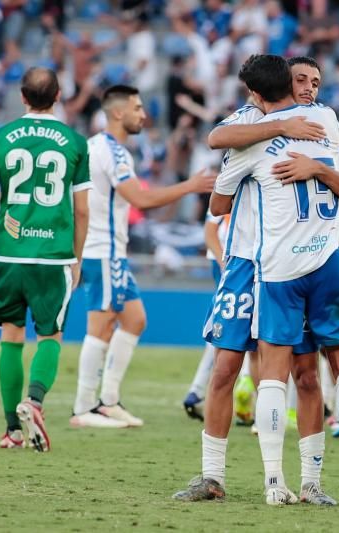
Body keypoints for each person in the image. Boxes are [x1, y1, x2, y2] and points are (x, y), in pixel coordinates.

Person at [174, 56, 339, 506]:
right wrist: (278, 127)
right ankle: (213, 476)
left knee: (306, 373)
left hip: (285, 263)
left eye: (316, 82)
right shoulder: (250, 122)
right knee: (224, 369)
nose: (309, 89)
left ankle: (310, 482)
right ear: (278, 87)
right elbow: (217, 139)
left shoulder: (322, 123)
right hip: (245, 259)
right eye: (301, 80)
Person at [69, 85, 215, 429]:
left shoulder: (95, 146)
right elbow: (140, 199)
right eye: (137, 108)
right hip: (102, 250)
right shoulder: (113, 151)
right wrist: (190, 186)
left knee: (134, 319)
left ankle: (108, 401)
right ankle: (83, 407)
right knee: (101, 324)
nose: (144, 114)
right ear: (118, 113)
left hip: (108, 250)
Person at [0, 67, 92, 451]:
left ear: (22, 97)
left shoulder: (0, 137)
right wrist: (77, 258)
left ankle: (12, 430)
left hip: (7, 254)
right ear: (58, 96)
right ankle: (34, 402)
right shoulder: (74, 142)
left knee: (11, 336)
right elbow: (83, 209)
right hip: (52, 256)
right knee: (50, 336)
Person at [182, 209, 230, 421]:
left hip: (224, 260)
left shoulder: (228, 178)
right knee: (246, 328)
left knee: (224, 327)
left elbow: (210, 228)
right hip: (235, 261)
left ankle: (197, 391)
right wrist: (224, 263)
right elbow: (211, 228)